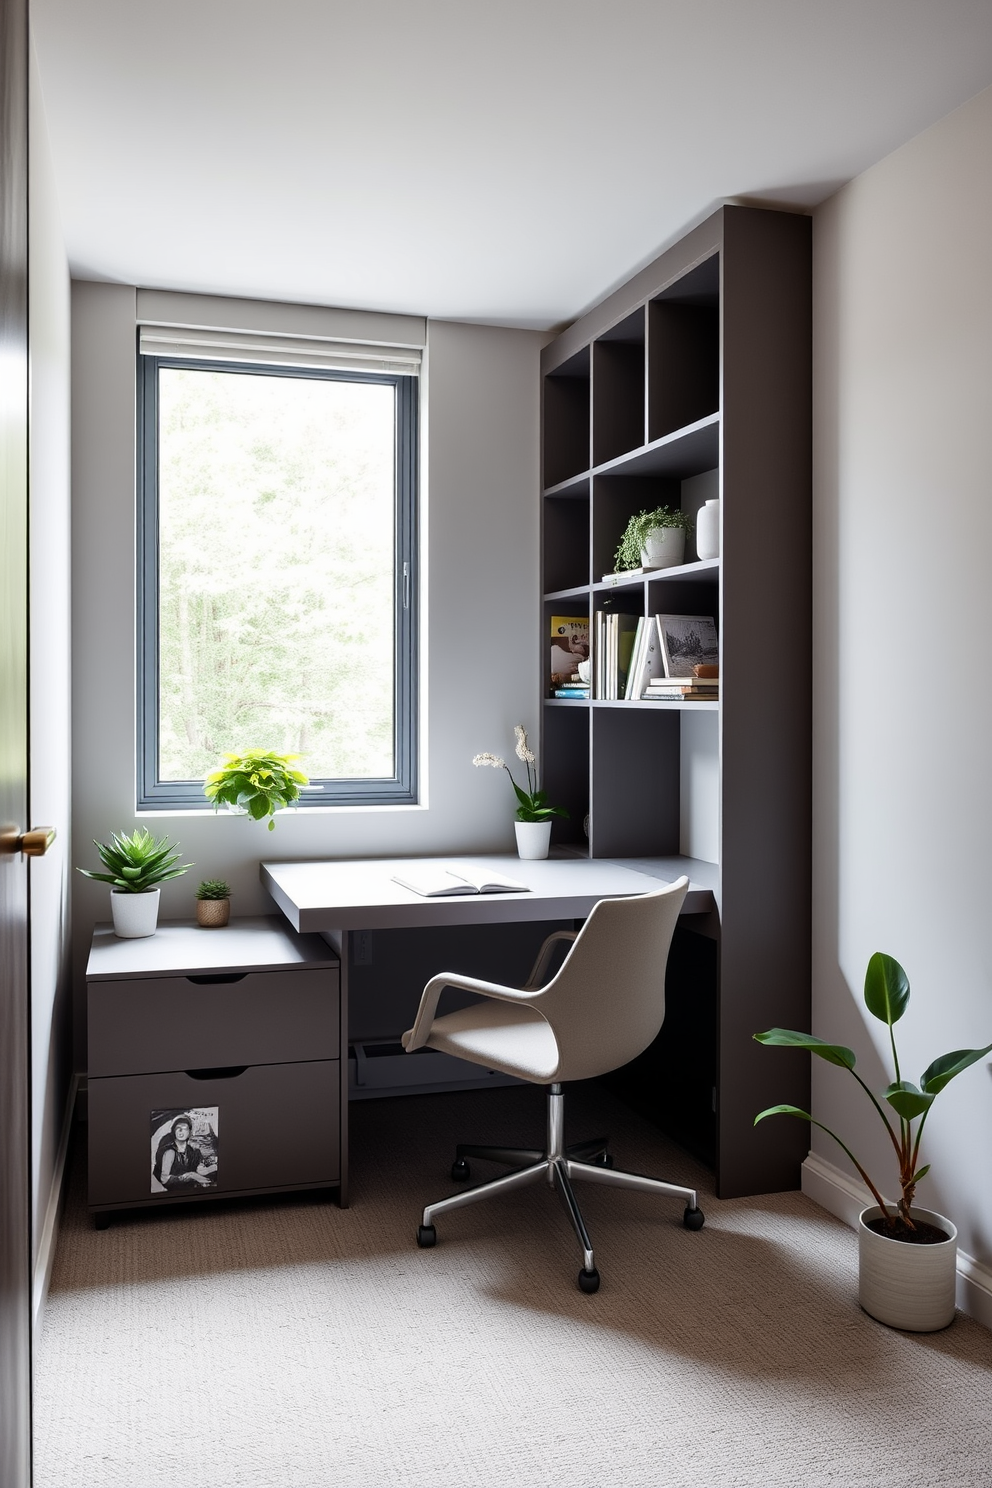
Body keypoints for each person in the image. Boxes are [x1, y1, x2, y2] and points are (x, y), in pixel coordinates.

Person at [154, 1115, 217, 1189]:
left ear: (190, 1132)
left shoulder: (194, 1151)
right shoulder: (170, 1151)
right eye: (178, 1128)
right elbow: (164, 1179)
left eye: (184, 1128)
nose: (181, 1131)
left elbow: (200, 1170)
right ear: (174, 1131)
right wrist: (189, 1176)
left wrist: (213, 1167)